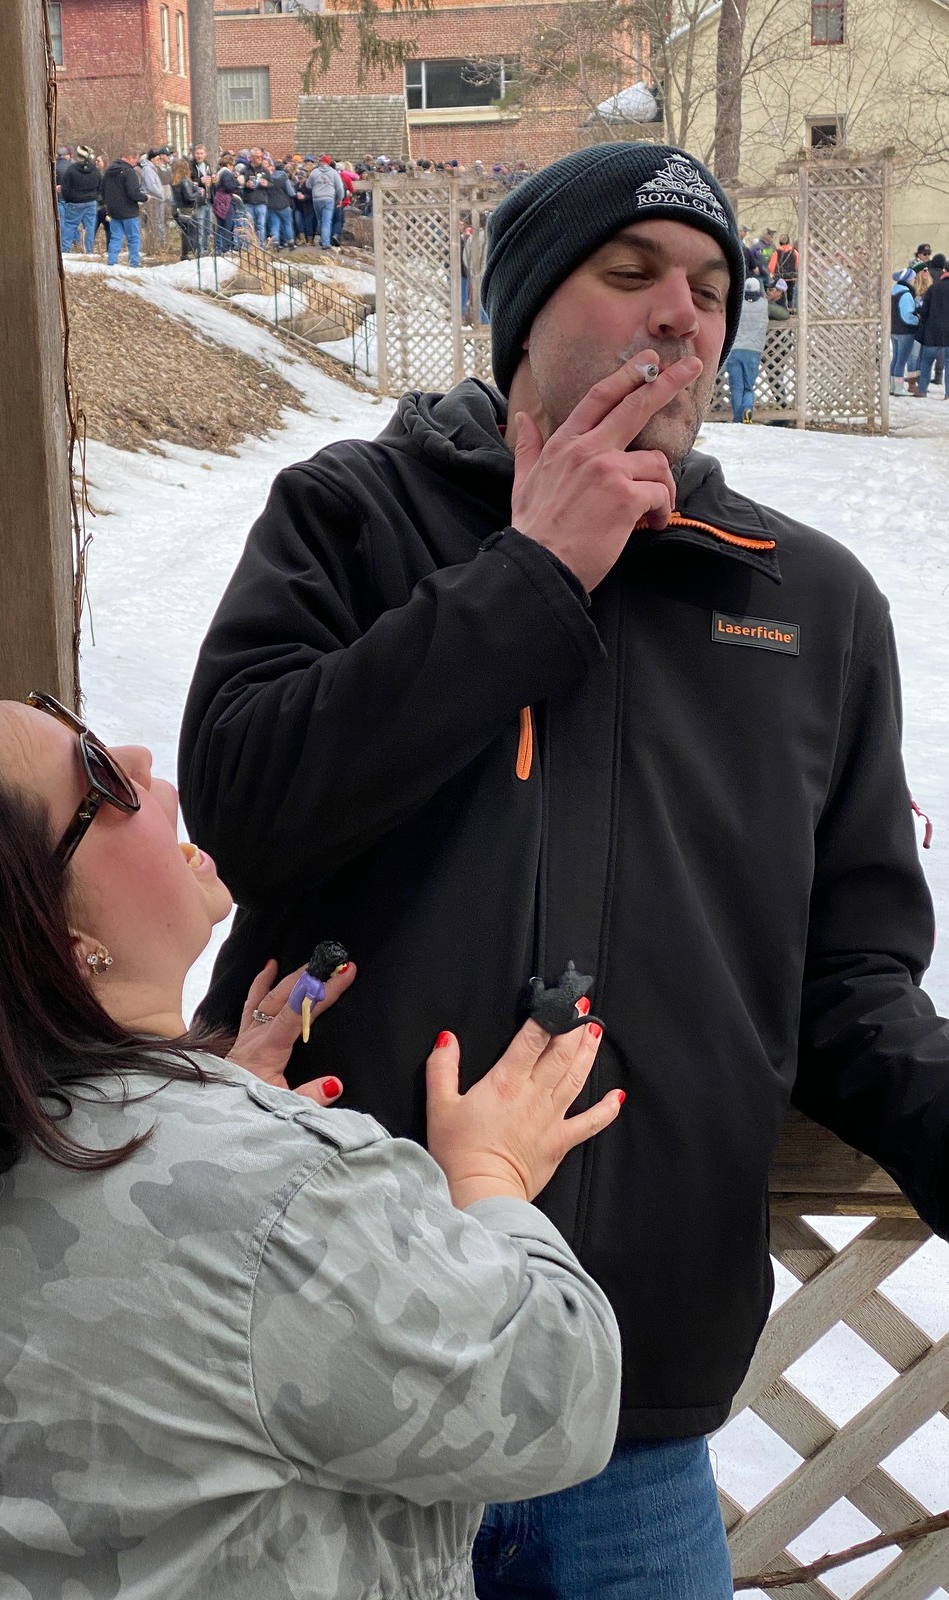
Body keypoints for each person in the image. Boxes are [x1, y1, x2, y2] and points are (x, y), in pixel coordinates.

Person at [179, 141, 949, 1599]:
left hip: (621, 1403)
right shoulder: (350, 518)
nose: (678, 313)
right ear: (523, 308)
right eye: (628, 271)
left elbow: (847, 980)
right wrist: (528, 576)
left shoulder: (808, 602)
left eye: (709, 287)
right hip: (329, 1364)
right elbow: (244, 811)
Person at [0, 687, 623, 1598]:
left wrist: (202, 1100)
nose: (136, 759)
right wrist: (489, 1170)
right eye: (99, 779)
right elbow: (558, 1396)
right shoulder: (273, 1197)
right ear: (66, 938)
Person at [725, 272, 767, 420]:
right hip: (753, 350)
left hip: (735, 348)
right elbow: (782, 314)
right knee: (748, 387)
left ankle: (738, 419)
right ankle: (747, 409)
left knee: (736, 387)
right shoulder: (764, 304)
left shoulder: (737, 304)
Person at [102, 149, 145, 267]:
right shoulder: (129, 172)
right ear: (130, 157)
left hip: (113, 211)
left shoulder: (108, 171)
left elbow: (102, 190)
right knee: (133, 238)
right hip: (129, 211)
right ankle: (134, 263)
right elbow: (133, 193)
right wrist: (145, 197)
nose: (136, 163)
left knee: (115, 237)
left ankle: (112, 261)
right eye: (135, 160)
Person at [915, 252, 949, 395]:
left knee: (927, 361)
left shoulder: (933, 288)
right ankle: (948, 393)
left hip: (932, 331)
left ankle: (922, 389)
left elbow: (924, 310)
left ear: (945, 270)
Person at [58, 144, 102, 253]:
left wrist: (68, 199)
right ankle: (88, 250)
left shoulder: (71, 169)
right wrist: (95, 197)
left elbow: (65, 188)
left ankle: (65, 249)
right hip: (91, 202)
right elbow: (100, 186)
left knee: (70, 225)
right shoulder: (95, 170)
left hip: (74, 202)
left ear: (78, 156)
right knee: (89, 226)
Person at [890, 267, 920, 394]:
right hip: (905, 331)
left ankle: (892, 386)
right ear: (907, 279)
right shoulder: (906, 294)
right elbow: (906, 315)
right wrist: (917, 320)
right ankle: (898, 387)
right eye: (913, 278)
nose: (914, 280)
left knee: (895, 359)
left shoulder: (893, 291)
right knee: (901, 360)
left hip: (893, 329)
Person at [308, 154, 345, 248]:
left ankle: (322, 238)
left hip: (316, 198)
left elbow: (308, 185)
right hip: (329, 198)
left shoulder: (314, 172)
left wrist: (316, 186)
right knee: (327, 220)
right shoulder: (334, 172)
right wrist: (340, 198)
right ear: (328, 163)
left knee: (320, 220)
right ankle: (325, 242)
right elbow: (339, 187)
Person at [169, 156, 203, 259]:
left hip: (177, 210)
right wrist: (198, 191)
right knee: (192, 232)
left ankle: (185, 254)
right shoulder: (184, 181)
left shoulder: (175, 181)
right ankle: (189, 253)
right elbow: (189, 197)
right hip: (186, 210)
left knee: (186, 233)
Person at [264, 160, 295, 248]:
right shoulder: (284, 178)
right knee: (287, 223)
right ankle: (290, 242)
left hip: (271, 205)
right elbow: (291, 193)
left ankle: (275, 242)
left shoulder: (269, 178)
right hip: (283, 205)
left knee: (275, 225)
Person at [772, 234, 798, 309]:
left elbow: (772, 266)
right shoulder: (794, 252)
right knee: (791, 294)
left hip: (781, 277)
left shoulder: (777, 252)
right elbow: (798, 264)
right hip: (792, 277)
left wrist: (772, 273)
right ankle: (791, 308)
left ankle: (782, 308)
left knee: (781, 294)